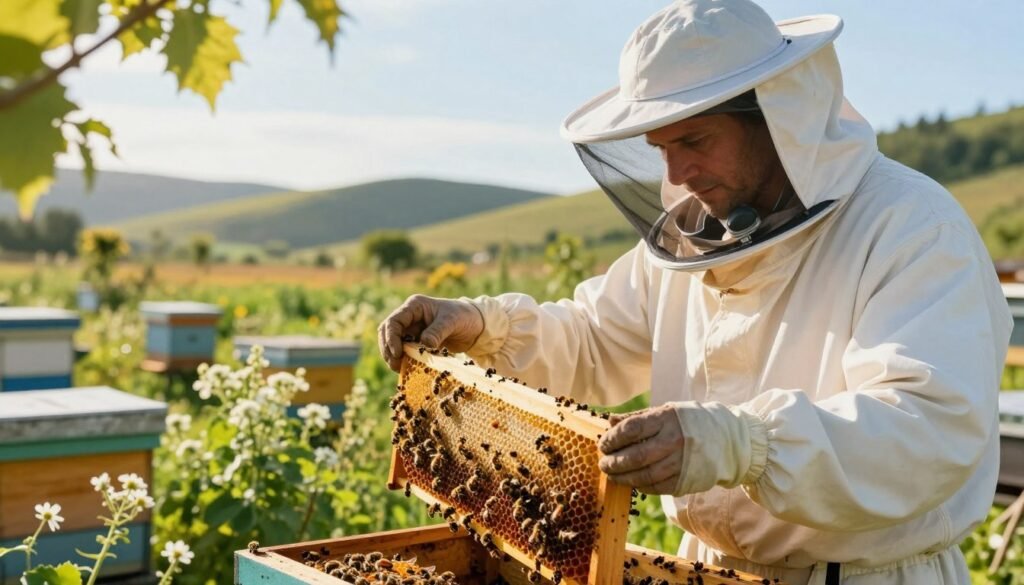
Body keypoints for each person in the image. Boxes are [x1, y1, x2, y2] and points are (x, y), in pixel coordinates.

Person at [377, 1, 1012, 583]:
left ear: (776, 116)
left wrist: (740, 444)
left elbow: (926, 426)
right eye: (660, 149)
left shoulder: (910, 227)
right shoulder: (696, 231)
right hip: (704, 569)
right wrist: (483, 327)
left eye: (695, 141)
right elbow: (593, 341)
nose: (676, 175)